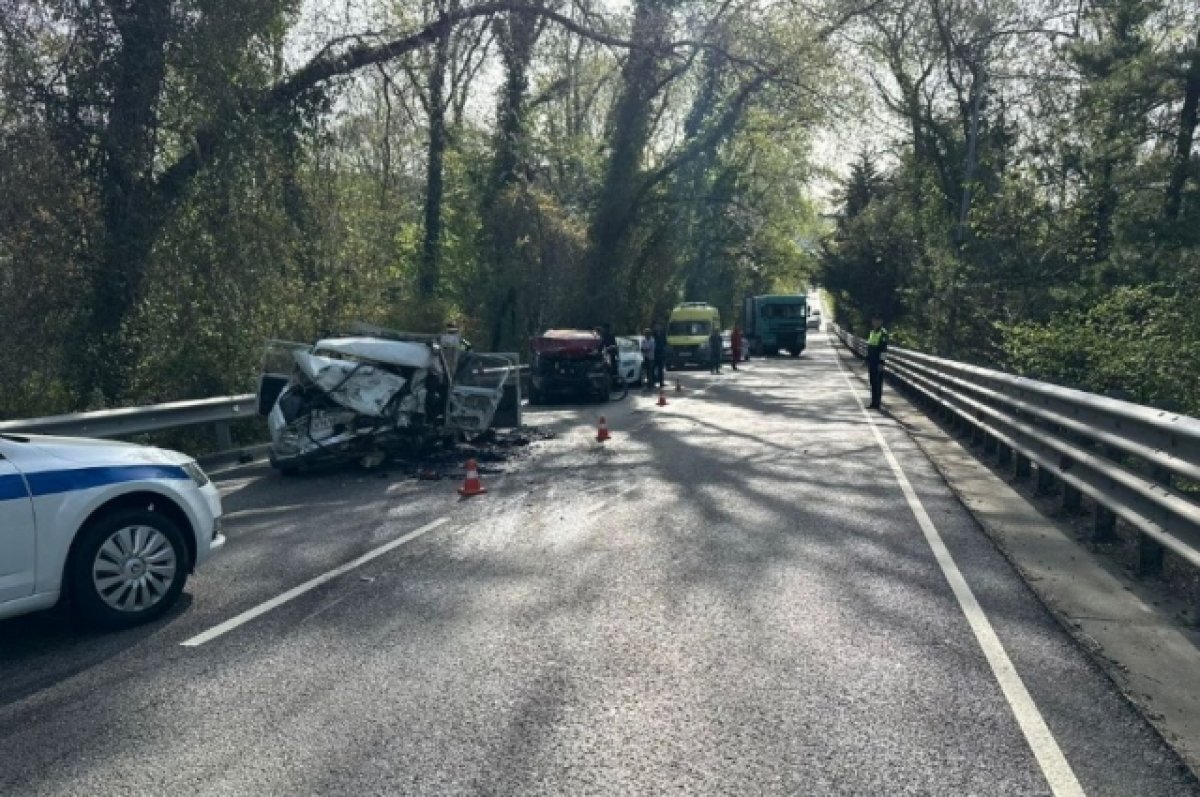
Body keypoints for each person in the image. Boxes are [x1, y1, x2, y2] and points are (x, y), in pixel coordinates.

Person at [866, 315, 889, 409]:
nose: (874, 322)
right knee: (872, 382)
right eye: (873, 320)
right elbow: (870, 347)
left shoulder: (883, 333)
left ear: (881, 321)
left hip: (878, 362)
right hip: (871, 362)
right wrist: (866, 359)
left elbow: (884, 350)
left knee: (878, 382)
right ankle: (873, 402)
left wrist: (882, 363)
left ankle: (877, 403)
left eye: (876, 320)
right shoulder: (872, 332)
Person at [652, 323, 668, 387]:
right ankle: (652, 382)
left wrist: (664, 352)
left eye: (659, 326)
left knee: (660, 369)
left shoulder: (662, 335)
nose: (658, 327)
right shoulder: (653, 335)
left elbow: (665, 343)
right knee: (653, 369)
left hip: (661, 354)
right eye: (656, 326)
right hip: (654, 354)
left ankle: (661, 382)